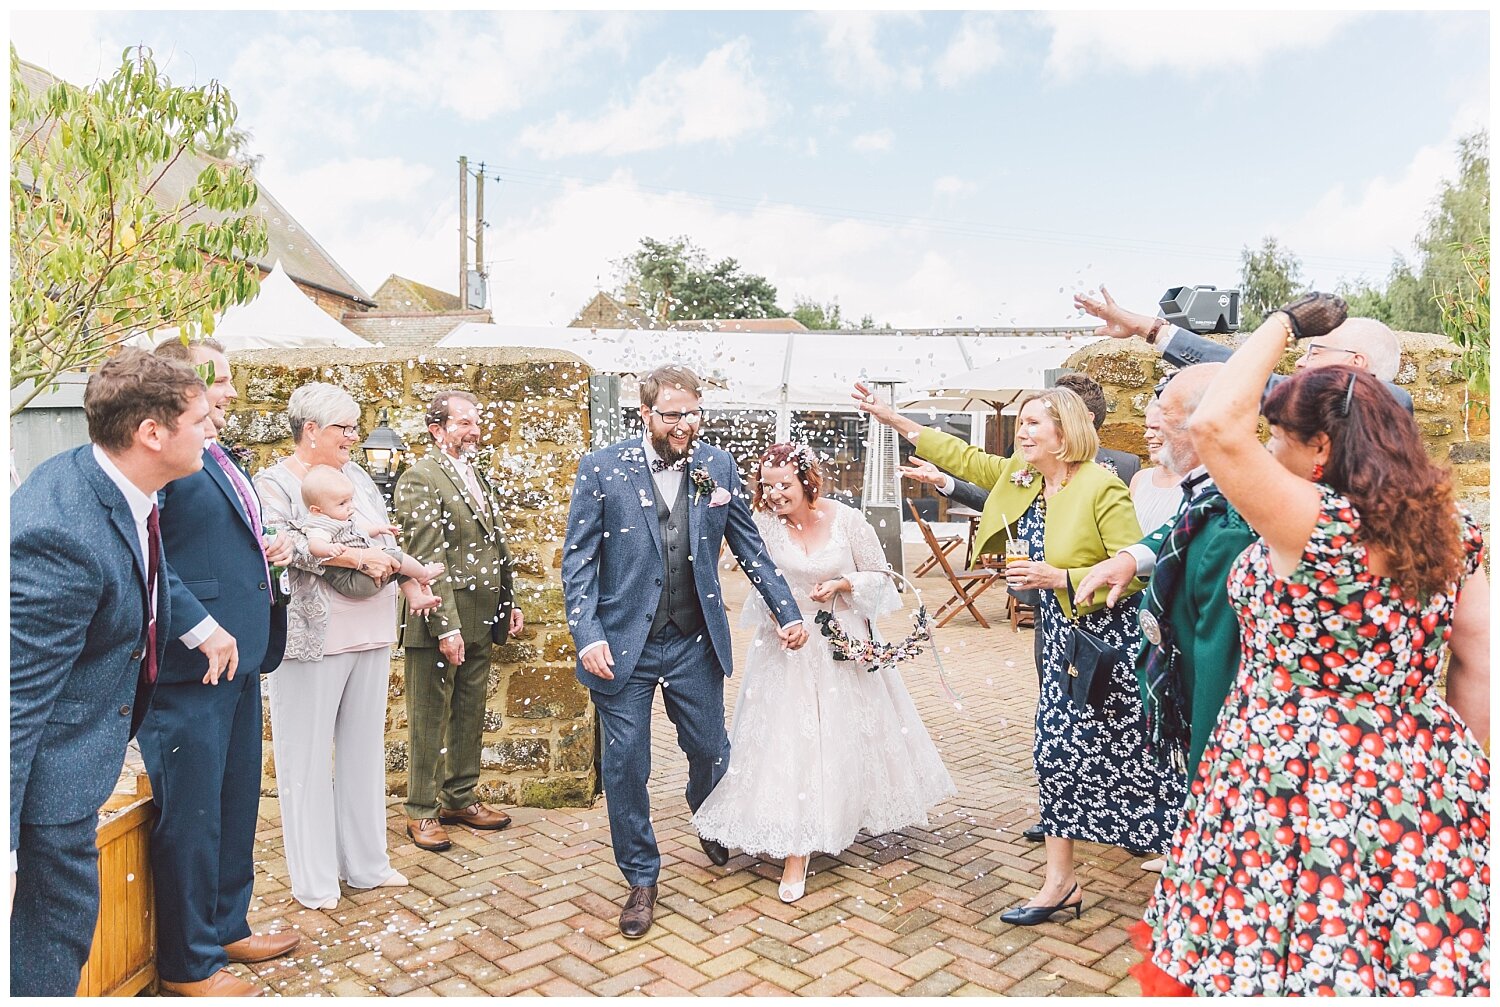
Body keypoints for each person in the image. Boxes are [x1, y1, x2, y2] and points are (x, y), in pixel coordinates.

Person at [1131, 295, 1491, 996]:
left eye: (1280, 439)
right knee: (1395, 941)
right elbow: (1478, 666)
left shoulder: (1314, 524)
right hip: (1416, 768)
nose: (1268, 453)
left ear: (1321, 447)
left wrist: (1287, 326)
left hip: (1289, 768)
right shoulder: (1454, 529)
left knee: (1279, 940)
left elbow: (1211, 425)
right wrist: (1464, 787)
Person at [855, 381, 1185, 925]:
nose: (1022, 432)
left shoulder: (1102, 487)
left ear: (1065, 432)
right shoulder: (1023, 477)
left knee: (1138, 757)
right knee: (1055, 753)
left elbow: (1132, 575)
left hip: (1107, 643)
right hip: (1058, 635)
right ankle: (1060, 883)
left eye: (1034, 423)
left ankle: (1185, 856)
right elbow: (960, 454)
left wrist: (1060, 576)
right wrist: (888, 416)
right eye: (1023, 422)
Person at [561, 365, 807, 939]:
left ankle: (710, 812)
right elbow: (577, 562)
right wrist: (588, 634)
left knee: (712, 750)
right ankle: (641, 878)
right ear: (645, 413)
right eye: (673, 414)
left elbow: (748, 547)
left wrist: (787, 609)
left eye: (693, 412)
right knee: (627, 765)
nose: (686, 424)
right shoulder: (602, 468)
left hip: (694, 640)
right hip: (623, 645)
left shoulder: (716, 465)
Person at [11, 350, 212, 995]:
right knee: (48, 950)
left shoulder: (121, 486)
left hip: (79, 757)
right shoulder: (59, 537)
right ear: (152, 434)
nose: (213, 432)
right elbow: (13, 704)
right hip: (46, 791)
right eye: (201, 420)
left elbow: (145, 585)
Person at [692, 444, 955, 902]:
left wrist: (844, 583)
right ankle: (796, 843)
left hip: (841, 643)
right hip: (787, 650)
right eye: (766, 485)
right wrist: (780, 619)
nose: (774, 494)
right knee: (791, 739)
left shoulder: (848, 520)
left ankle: (833, 817)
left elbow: (884, 577)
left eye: (784, 484)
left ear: (807, 481)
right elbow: (759, 582)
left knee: (838, 737)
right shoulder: (762, 526)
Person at [139, 338, 298, 997]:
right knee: (193, 814)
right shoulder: (163, 459)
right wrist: (198, 627)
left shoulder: (221, 455)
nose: (231, 391)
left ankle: (228, 922)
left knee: (235, 806)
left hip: (242, 662)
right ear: (183, 384)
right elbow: (149, 557)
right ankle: (188, 961)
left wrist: (271, 550)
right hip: (189, 668)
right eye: (221, 380)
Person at [254, 383, 432, 910]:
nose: (355, 438)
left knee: (363, 751)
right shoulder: (273, 482)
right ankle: (315, 881)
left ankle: (368, 864)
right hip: (312, 636)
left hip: (371, 628)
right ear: (311, 430)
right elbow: (283, 548)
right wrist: (355, 560)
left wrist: (403, 574)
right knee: (304, 758)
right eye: (345, 429)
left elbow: (380, 539)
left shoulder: (356, 477)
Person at [1075, 364, 1256, 876]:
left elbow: (1218, 657)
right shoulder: (1204, 490)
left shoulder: (1242, 507)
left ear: (1204, 423)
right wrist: (1131, 558)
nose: (1152, 420)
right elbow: (1178, 528)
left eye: (1166, 413)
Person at [393, 390, 521, 853]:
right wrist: (444, 626)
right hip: (439, 615)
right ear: (436, 430)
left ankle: (459, 797)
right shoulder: (419, 478)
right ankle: (421, 810)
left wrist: (510, 602)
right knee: (430, 714)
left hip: (482, 614)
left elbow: (493, 545)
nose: (474, 430)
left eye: (476, 421)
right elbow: (427, 556)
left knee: (469, 711)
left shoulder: (475, 475)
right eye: (463, 423)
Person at [1074, 285, 1414, 412]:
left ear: (1356, 363)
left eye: (1315, 352)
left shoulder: (1390, 402)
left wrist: (1285, 324)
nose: (1299, 365)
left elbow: (1254, 379)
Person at [298, 464, 444, 598]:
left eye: (350, 500)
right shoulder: (321, 525)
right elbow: (314, 545)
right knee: (392, 555)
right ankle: (424, 574)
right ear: (317, 510)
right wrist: (328, 548)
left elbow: (358, 531)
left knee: (399, 568)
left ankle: (416, 598)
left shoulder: (338, 519)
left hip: (360, 576)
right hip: (352, 581)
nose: (351, 507)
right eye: (342, 503)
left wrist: (379, 529)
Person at [1054, 371, 1142, 483]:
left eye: (1058, 413)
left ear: (1086, 417)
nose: (1051, 418)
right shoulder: (1036, 465)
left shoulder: (1126, 466)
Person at [1130, 400, 1185, 532]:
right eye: (1147, 428)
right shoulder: (1139, 479)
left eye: (1156, 428)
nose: (1147, 435)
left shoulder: (1200, 482)